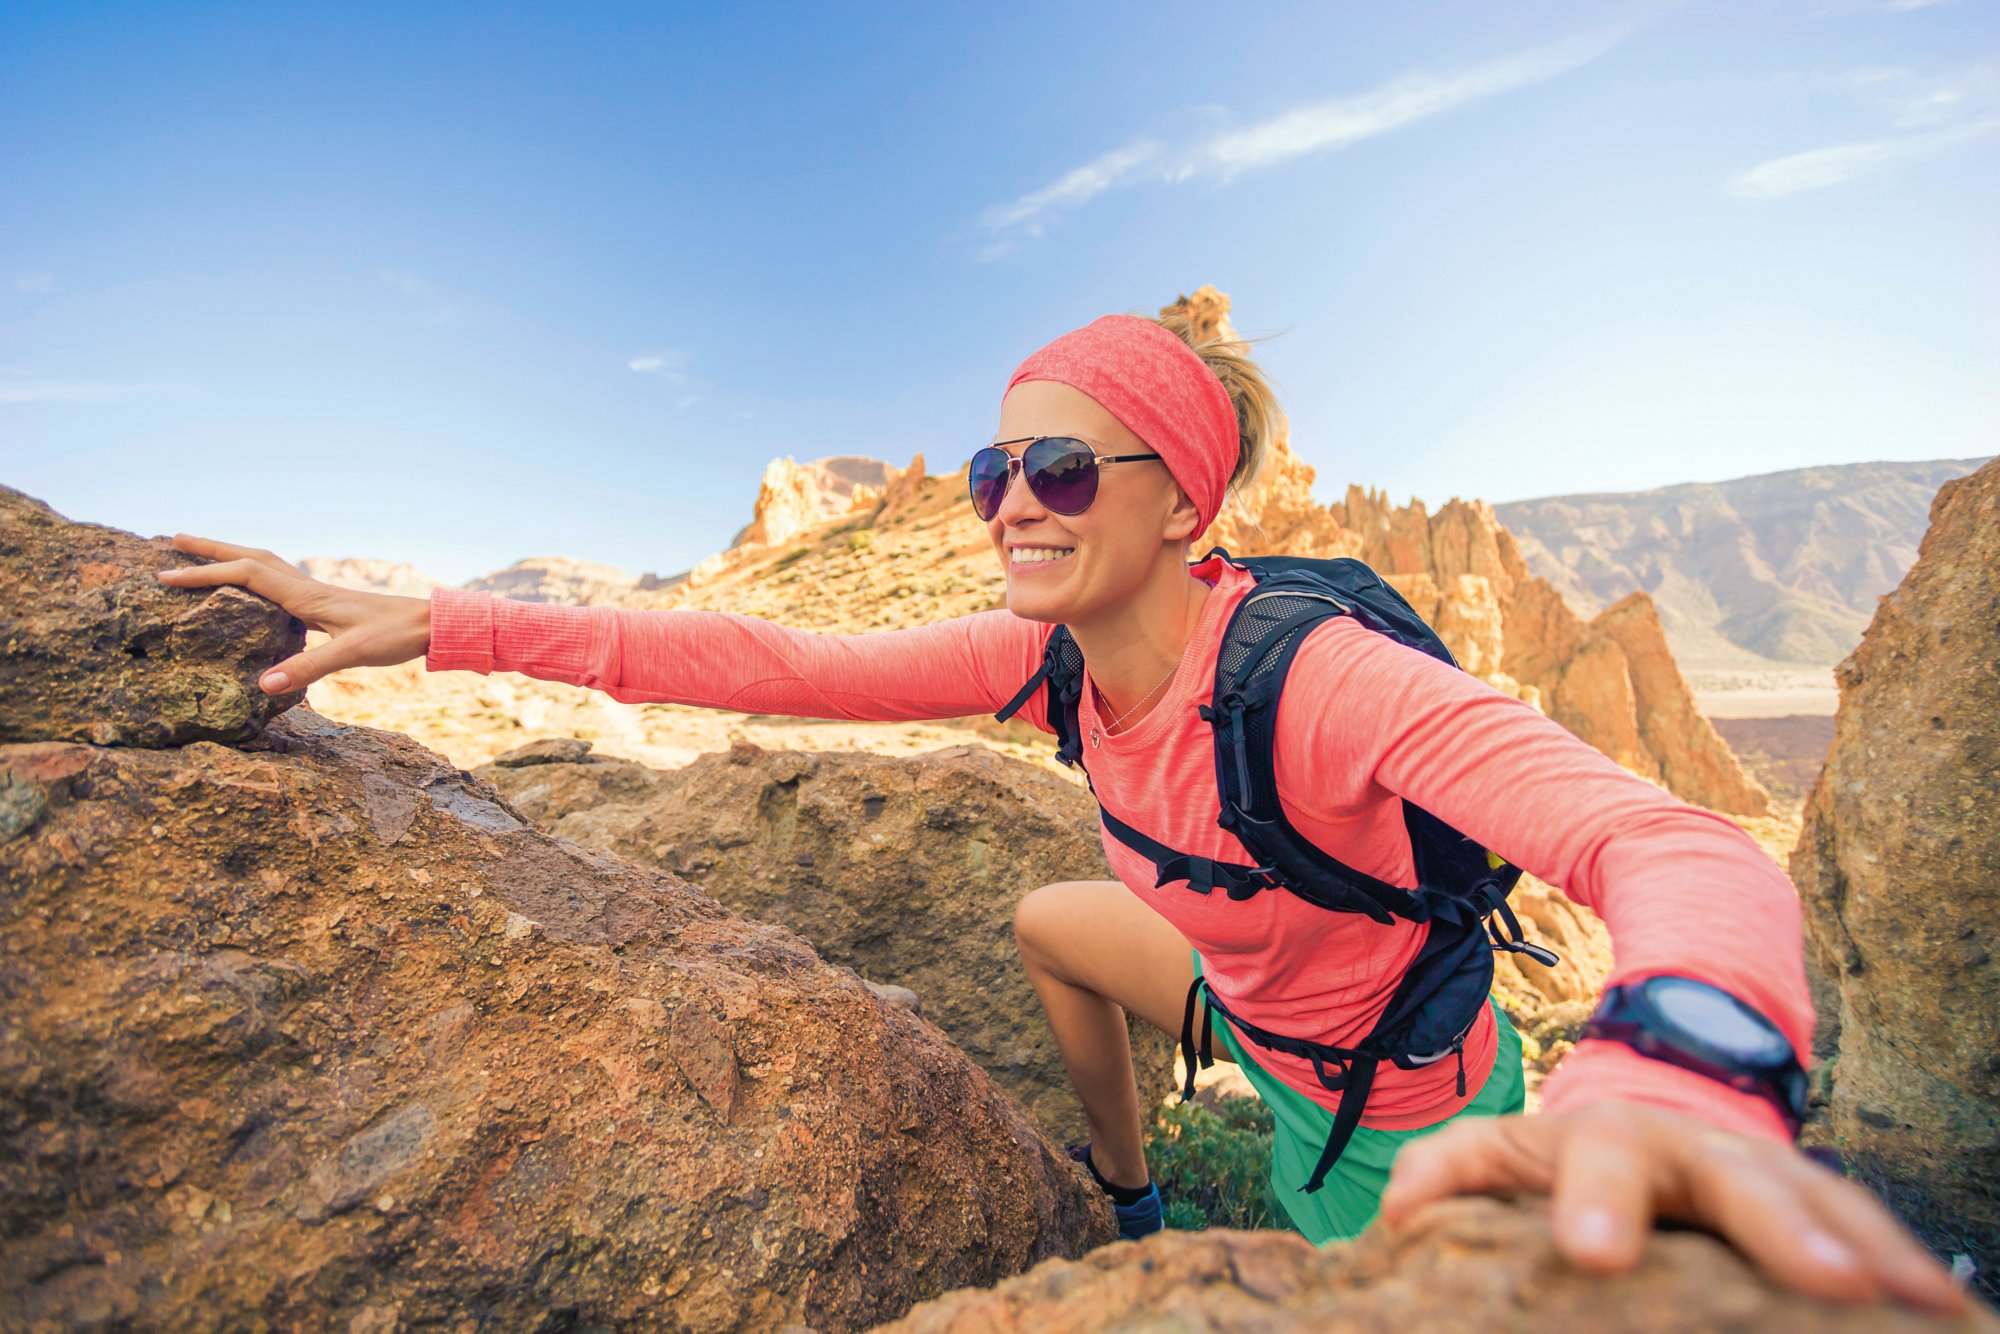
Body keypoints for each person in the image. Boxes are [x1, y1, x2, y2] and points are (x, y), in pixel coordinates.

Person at [156, 310, 1966, 1316]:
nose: (1011, 500)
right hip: (1240, 1001)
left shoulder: (1311, 673)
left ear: (1178, 500)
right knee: (1048, 925)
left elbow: (1683, 850)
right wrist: (432, 621)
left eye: (1059, 468)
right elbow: (753, 655)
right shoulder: (1049, 658)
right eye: (989, 467)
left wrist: (1674, 1081)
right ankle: (1127, 1187)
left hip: (1382, 1091)